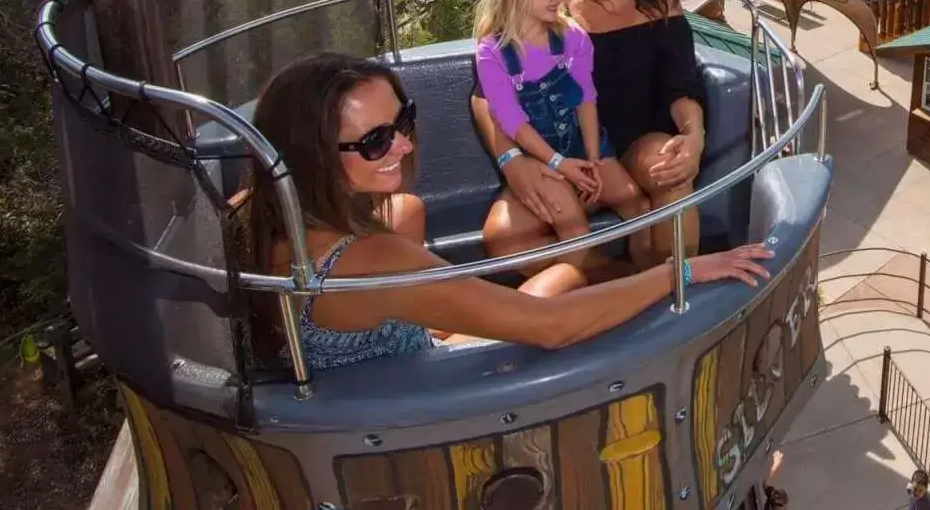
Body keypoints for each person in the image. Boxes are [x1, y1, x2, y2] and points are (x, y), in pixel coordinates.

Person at [240, 51, 772, 371]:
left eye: (404, 122)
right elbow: (551, 327)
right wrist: (679, 271)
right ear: (310, 153)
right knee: (564, 276)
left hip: (364, 359)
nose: (403, 146)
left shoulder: (255, 209)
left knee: (408, 210)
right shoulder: (372, 263)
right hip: (427, 384)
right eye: (376, 141)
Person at [473, 0, 652, 269]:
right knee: (573, 226)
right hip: (540, 156)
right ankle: (571, 301)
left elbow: (586, 97)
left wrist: (594, 159)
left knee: (637, 206)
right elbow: (512, 121)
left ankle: (649, 278)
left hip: (582, 144)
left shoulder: (573, 38)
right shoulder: (492, 53)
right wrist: (559, 163)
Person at [567, 0, 709, 263]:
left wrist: (693, 136)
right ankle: (624, 288)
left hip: (639, 138)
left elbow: (680, 84)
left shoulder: (659, 1)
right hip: (578, 142)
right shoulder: (561, 6)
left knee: (670, 170)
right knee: (506, 236)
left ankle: (677, 293)